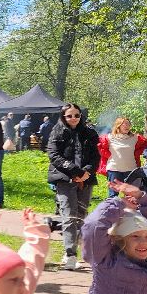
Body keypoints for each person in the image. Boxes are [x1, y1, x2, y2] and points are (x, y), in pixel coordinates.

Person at [46, 102, 100, 271]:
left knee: (81, 216)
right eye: (69, 116)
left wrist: (87, 172)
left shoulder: (89, 132)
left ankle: (80, 250)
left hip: (85, 179)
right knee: (69, 216)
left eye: (76, 115)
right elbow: (54, 155)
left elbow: (96, 156)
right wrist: (75, 171)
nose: (73, 118)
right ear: (63, 117)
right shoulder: (57, 131)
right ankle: (70, 254)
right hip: (65, 179)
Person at [98, 117, 147, 195]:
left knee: (131, 196)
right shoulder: (109, 137)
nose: (127, 126)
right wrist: (109, 156)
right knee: (113, 195)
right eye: (125, 124)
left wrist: (136, 154)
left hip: (131, 170)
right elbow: (100, 148)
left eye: (129, 124)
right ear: (118, 125)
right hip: (114, 170)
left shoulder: (135, 138)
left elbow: (144, 147)